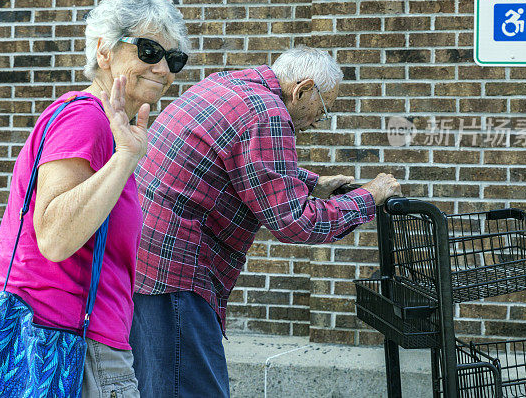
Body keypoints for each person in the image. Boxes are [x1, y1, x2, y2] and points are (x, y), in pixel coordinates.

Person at [129, 46, 401, 397]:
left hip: (146, 256)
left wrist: (311, 183)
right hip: (176, 268)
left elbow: (246, 160)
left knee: (161, 384)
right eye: (324, 108)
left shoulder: (229, 85)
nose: (319, 120)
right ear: (302, 90)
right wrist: (370, 196)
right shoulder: (268, 113)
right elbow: (295, 222)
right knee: (191, 388)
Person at [0, 0, 190, 398]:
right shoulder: (88, 120)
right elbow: (55, 236)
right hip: (64, 342)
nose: (163, 68)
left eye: (174, 58)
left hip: (73, 335)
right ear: (104, 51)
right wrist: (125, 158)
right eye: (148, 50)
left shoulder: (111, 128)